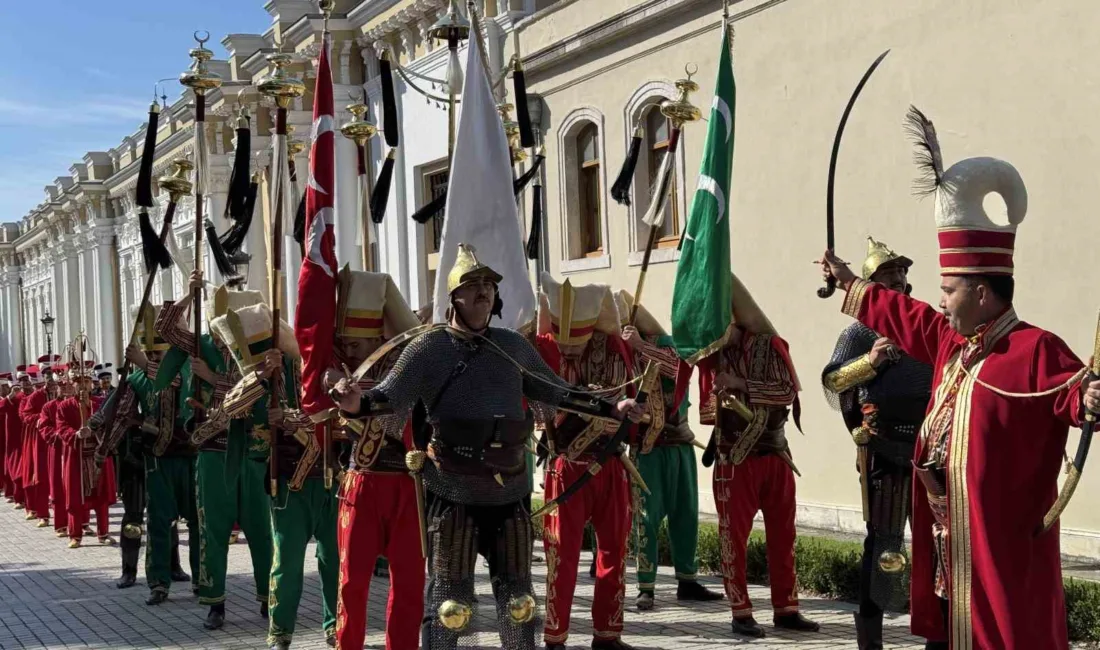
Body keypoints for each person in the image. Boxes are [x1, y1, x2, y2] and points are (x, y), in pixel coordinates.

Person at [819, 106, 1100, 650]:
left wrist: (1088, 398)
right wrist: (851, 282)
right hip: (948, 546)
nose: (939, 302)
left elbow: (1074, 397)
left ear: (981, 292)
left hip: (1000, 551)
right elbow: (906, 317)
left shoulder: (1035, 349)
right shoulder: (953, 341)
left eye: (948, 290)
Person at [330, 244, 645, 650]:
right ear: (453, 298)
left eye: (489, 286)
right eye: (472, 285)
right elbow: (390, 397)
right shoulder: (429, 349)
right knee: (450, 606)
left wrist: (612, 407)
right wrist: (357, 404)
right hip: (453, 490)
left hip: (509, 491)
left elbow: (559, 392)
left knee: (519, 605)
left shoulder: (512, 347)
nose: (483, 292)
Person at [821, 238, 933, 650]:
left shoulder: (924, 325)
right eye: (890, 274)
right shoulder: (860, 332)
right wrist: (870, 362)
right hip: (884, 449)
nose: (900, 280)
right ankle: (872, 640)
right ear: (871, 284)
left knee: (935, 546)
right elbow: (833, 381)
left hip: (929, 450)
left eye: (902, 273)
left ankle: (937, 635)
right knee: (886, 545)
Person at [696, 274, 819, 639]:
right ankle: (741, 611)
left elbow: (786, 392)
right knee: (733, 537)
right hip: (734, 458)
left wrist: (741, 385)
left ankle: (786, 609)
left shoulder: (770, 345)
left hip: (775, 453)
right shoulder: (716, 357)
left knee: (784, 536)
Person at [206, 302, 328, 650]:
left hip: (328, 476)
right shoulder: (254, 380)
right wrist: (261, 375)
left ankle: (335, 627)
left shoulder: (308, 370)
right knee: (286, 563)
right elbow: (230, 409)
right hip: (286, 480)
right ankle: (280, 633)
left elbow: (332, 415)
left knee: (332, 560)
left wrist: (291, 420)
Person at [155, 276, 273, 629]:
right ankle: (215, 602)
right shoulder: (201, 344)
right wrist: (189, 295)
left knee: (259, 530)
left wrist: (211, 378)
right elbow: (165, 327)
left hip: (252, 449)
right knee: (213, 530)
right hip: (212, 448)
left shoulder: (258, 349)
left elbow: (260, 392)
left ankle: (269, 598)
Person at [327, 268, 424, 650]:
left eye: (357, 344)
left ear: (378, 337)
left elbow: (399, 405)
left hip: (407, 483)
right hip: (362, 482)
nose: (350, 351)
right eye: (344, 344)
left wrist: (357, 399)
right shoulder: (335, 369)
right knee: (352, 581)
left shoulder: (408, 366)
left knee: (410, 582)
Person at [615, 290, 722, 611]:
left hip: (679, 446)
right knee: (645, 517)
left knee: (685, 513)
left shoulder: (665, 345)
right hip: (645, 449)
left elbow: (679, 369)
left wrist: (641, 347)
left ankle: (687, 581)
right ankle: (646, 586)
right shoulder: (620, 355)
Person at [124, 303, 201, 605]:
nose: (156, 357)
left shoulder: (186, 366)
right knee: (157, 520)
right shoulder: (137, 378)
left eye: (160, 354)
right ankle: (158, 582)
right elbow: (123, 415)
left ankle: (203, 580)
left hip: (191, 455)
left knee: (197, 521)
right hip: (157, 458)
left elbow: (175, 382)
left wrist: (145, 363)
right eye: (152, 355)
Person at [57, 364, 116, 548]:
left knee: (101, 495)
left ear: (92, 383)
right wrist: (75, 434)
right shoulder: (65, 406)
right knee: (75, 495)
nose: (83, 386)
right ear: (72, 385)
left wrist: (95, 432)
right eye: (78, 382)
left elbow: (110, 424)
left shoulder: (99, 403)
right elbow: (61, 427)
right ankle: (75, 534)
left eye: (87, 381)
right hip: (76, 456)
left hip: (98, 455)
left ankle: (103, 533)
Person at [20, 359, 52, 526]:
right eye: (48, 376)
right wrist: (42, 417)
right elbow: (25, 416)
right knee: (41, 477)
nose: (52, 380)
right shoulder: (36, 396)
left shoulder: (64, 393)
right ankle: (42, 513)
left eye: (54, 375)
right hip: (39, 441)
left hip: (60, 441)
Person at [38, 369, 66, 535]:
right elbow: (43, 426)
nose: (63, 388)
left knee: (76, 488)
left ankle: (82, 524)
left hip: (74, 450)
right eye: (59, 385)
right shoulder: (48, 406)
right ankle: (61, 524)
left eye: (66, 385)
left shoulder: (76, 403)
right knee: (57, 486)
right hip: (56, 449)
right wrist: (56, 434)